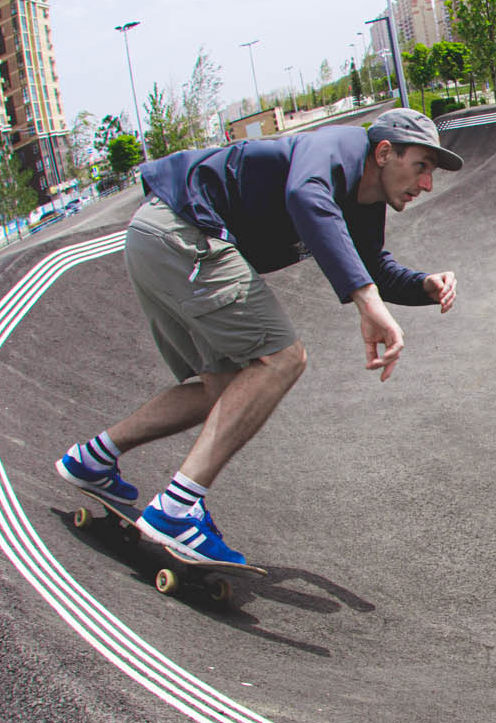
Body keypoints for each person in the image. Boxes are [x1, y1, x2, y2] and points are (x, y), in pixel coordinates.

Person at [56, 109, 462, 566]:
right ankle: (175, 510)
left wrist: (422, 285)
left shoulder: (363, 200)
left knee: (228, 391)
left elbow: (371, 264)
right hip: (186, 232)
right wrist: (368, 305)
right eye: (422, 167)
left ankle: (92, 458)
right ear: (385, 152)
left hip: (158, 235)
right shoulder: (336, 149)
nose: (426, 184)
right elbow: (304, 196)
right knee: (283, 358)